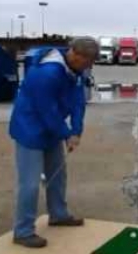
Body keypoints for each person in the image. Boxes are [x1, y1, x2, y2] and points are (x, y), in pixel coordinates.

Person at [9, 37, 98, 248]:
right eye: (87, 62)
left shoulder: (76, 70)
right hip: (29, 129)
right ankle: (22, 231)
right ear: (75, 54)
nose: (89, 67)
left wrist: (76, 131)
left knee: (58, 175)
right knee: (30, 184)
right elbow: (45, 111)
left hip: (52, 130)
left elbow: (78, 103)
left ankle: (58, 214)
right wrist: (66, 133)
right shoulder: (47, 73)